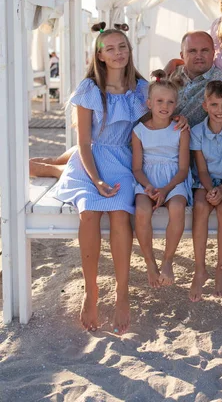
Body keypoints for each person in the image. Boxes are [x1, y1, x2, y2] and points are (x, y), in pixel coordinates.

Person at [55, 22, 148, 335]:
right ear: (100, 55)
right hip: (91, 163)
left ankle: (122, 293)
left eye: (122, 47)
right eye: (111, 49)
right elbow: (82, 143)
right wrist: (96, 181)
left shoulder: (141, 88)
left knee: (121, 216)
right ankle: (91, 291)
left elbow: (154, 125)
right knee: (90, 214)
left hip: (124, 160)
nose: (118, 53)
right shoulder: (89, 89)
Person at [132, 74, 192, 288]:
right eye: (159, 101)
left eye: (170, 102)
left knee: (177, 208)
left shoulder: (180, 130)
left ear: (176, 105)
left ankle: (167, 260)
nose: (164, 106)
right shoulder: (139, 131)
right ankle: (150, 262)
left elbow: (184, 168)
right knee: (142, 210)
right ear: (149, 103)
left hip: (173, 181)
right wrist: (148, 186)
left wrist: (166, 190)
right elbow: (137, 168)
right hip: (147, 179)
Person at [189, 81, 222, 302]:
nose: (219, 110)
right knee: (200, 207)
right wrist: (211, 189)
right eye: (214, 104)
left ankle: (221, 270)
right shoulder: (197, 131)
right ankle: (199, 269)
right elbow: (201, 168)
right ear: (205, 106)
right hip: (205, 182)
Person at [169, 31, 222, 127]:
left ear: (213, 53)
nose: (199, 56)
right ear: (182, 55)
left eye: (204, 50)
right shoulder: (171, 74)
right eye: (192, 51)